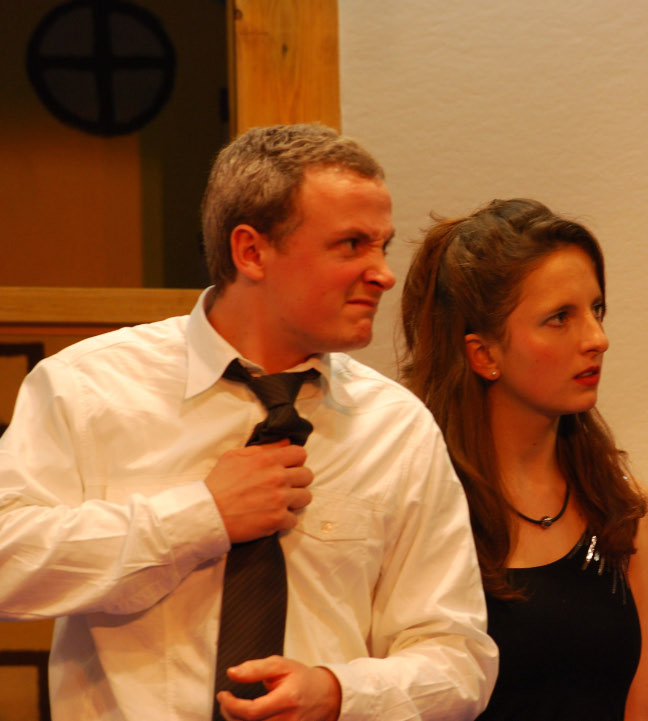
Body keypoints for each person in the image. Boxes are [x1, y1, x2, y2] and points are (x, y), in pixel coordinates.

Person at [0, 123, 497, 721]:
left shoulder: (397, 427)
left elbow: (458, 658)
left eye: (382, 246)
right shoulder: (87, 388)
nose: (383, 273)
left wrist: (338, 694)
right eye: (351, 245)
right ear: (251, 252)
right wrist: (199, 516)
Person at [400, 198, 648, 720]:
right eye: (559, 318)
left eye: (596, 310)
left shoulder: (622, 507)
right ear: (484, 354)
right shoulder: (419, 505)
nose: (598, 339)